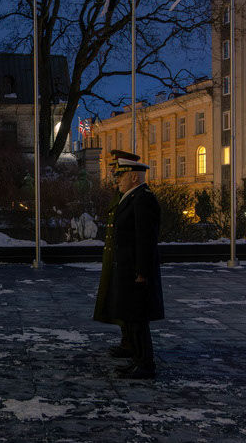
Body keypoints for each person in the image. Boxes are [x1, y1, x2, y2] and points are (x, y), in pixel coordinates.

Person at [106, 156, 164, 379]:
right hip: (128, 268)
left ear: (133, 176)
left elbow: (145, 239)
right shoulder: (133, 198)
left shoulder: (142, 199)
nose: (117, 180)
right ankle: (138, 359)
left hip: (136, 271)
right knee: (131, 316)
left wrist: (142, 271)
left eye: (120, 176)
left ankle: (145, 363)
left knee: (138, 318)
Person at [93, 150, 140, 360]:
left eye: (116, 170)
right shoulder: (122, 194)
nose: (113, 173)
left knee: (129, 307)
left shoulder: (134, 197)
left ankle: (132, 345)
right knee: (119, 303)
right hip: (117, 258)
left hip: (125, 260)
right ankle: (127, 342)